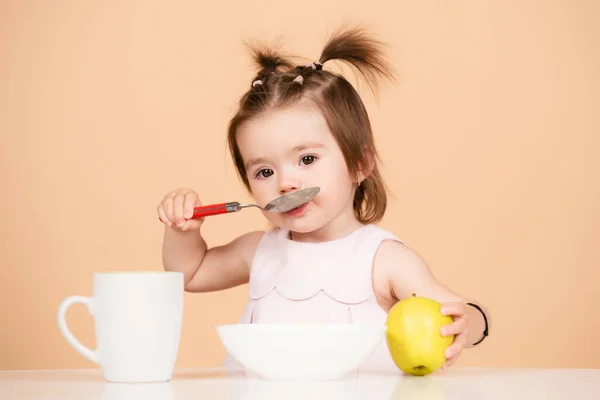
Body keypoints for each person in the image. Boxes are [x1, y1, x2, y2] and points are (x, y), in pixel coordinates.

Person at [157, 26, 490, 372]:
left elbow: (457, 310)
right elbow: (189, 274)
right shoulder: (258, 251)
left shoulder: (382, 260)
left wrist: (466, 322)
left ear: (359, 165)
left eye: (307, 160)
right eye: (265, 172)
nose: (286, 183)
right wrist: (184, 232)